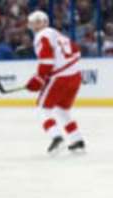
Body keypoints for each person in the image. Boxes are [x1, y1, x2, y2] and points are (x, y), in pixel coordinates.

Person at [26, 10, 86, 154]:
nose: (35, 25)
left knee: (43, 108)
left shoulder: (41, 36)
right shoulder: (57, 34)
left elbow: (47, 61)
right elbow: (77, 52)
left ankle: (56, 137)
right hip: (75, 76)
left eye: (38, 22)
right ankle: (77, 140)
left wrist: (39, 78)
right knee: (62, 110)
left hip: (61, 77)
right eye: (34, 22)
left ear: (45, 22)